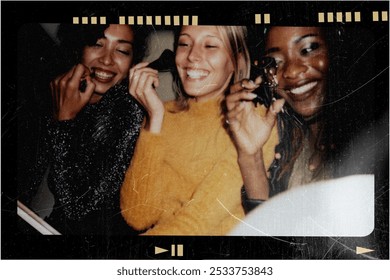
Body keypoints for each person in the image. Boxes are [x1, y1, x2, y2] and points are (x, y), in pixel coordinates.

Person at [120, 25, 278, 235]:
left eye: (210, 45)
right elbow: (137, 216)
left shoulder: (252, 120)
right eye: (184, 44)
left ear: (237, 61)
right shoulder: (162, 113)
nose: (192, 56)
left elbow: (198, 221)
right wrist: (154, 119)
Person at [226, 25, 383, 212]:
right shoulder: (289, 147)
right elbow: (268, 234)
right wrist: (251, 156)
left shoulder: (374, 144)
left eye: (308, 49)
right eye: (274, 61)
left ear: (338, 49)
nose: (291, 71)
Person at [44, 24, 147, 235]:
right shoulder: (64, 92)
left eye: (122, 51)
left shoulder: (128, 113)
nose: (107, 60)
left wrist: (63, 121)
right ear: (78, 48)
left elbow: (75, 208)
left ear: (132, 61)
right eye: (96, 44)